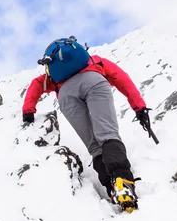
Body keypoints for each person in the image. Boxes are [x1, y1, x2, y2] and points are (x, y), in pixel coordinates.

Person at [22, 48, 150, 212]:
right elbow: (121, 78)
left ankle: (112, 189)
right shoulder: (94, 60)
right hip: (95, 82)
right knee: (108, 135)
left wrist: (28, 110)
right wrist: (139, 107)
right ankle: (123, 183)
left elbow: (36, 84)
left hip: (66, 95)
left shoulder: (54, 75)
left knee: (95, 147)